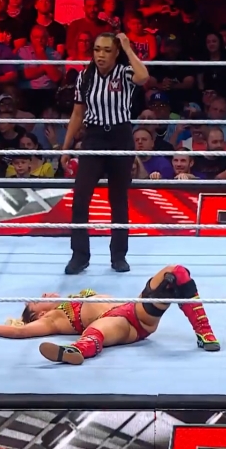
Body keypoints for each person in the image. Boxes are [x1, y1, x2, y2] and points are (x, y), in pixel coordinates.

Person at [0, 265, 220, 365]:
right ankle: (76, 351)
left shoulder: (72, 299)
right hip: (123, 325)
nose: (43, 294)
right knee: (98, 329)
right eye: (37, 301)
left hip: (134, 308)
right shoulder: (52, 319)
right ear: (38, 314)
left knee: (176, 273)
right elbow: (19, 331)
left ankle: (204, 332)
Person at [59, 32, 149, 275]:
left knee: (118, 199)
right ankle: (79, 256)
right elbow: (77, 113)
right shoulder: (85, 76)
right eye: (97, 49)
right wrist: (66, 147)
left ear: (116, 53)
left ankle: (118, 256)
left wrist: (128, 48)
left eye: (107, 50)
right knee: (80, 197)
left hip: (120, 136)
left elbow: (143, 77)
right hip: (94, 137)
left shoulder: (124, 73)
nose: (101, 55)